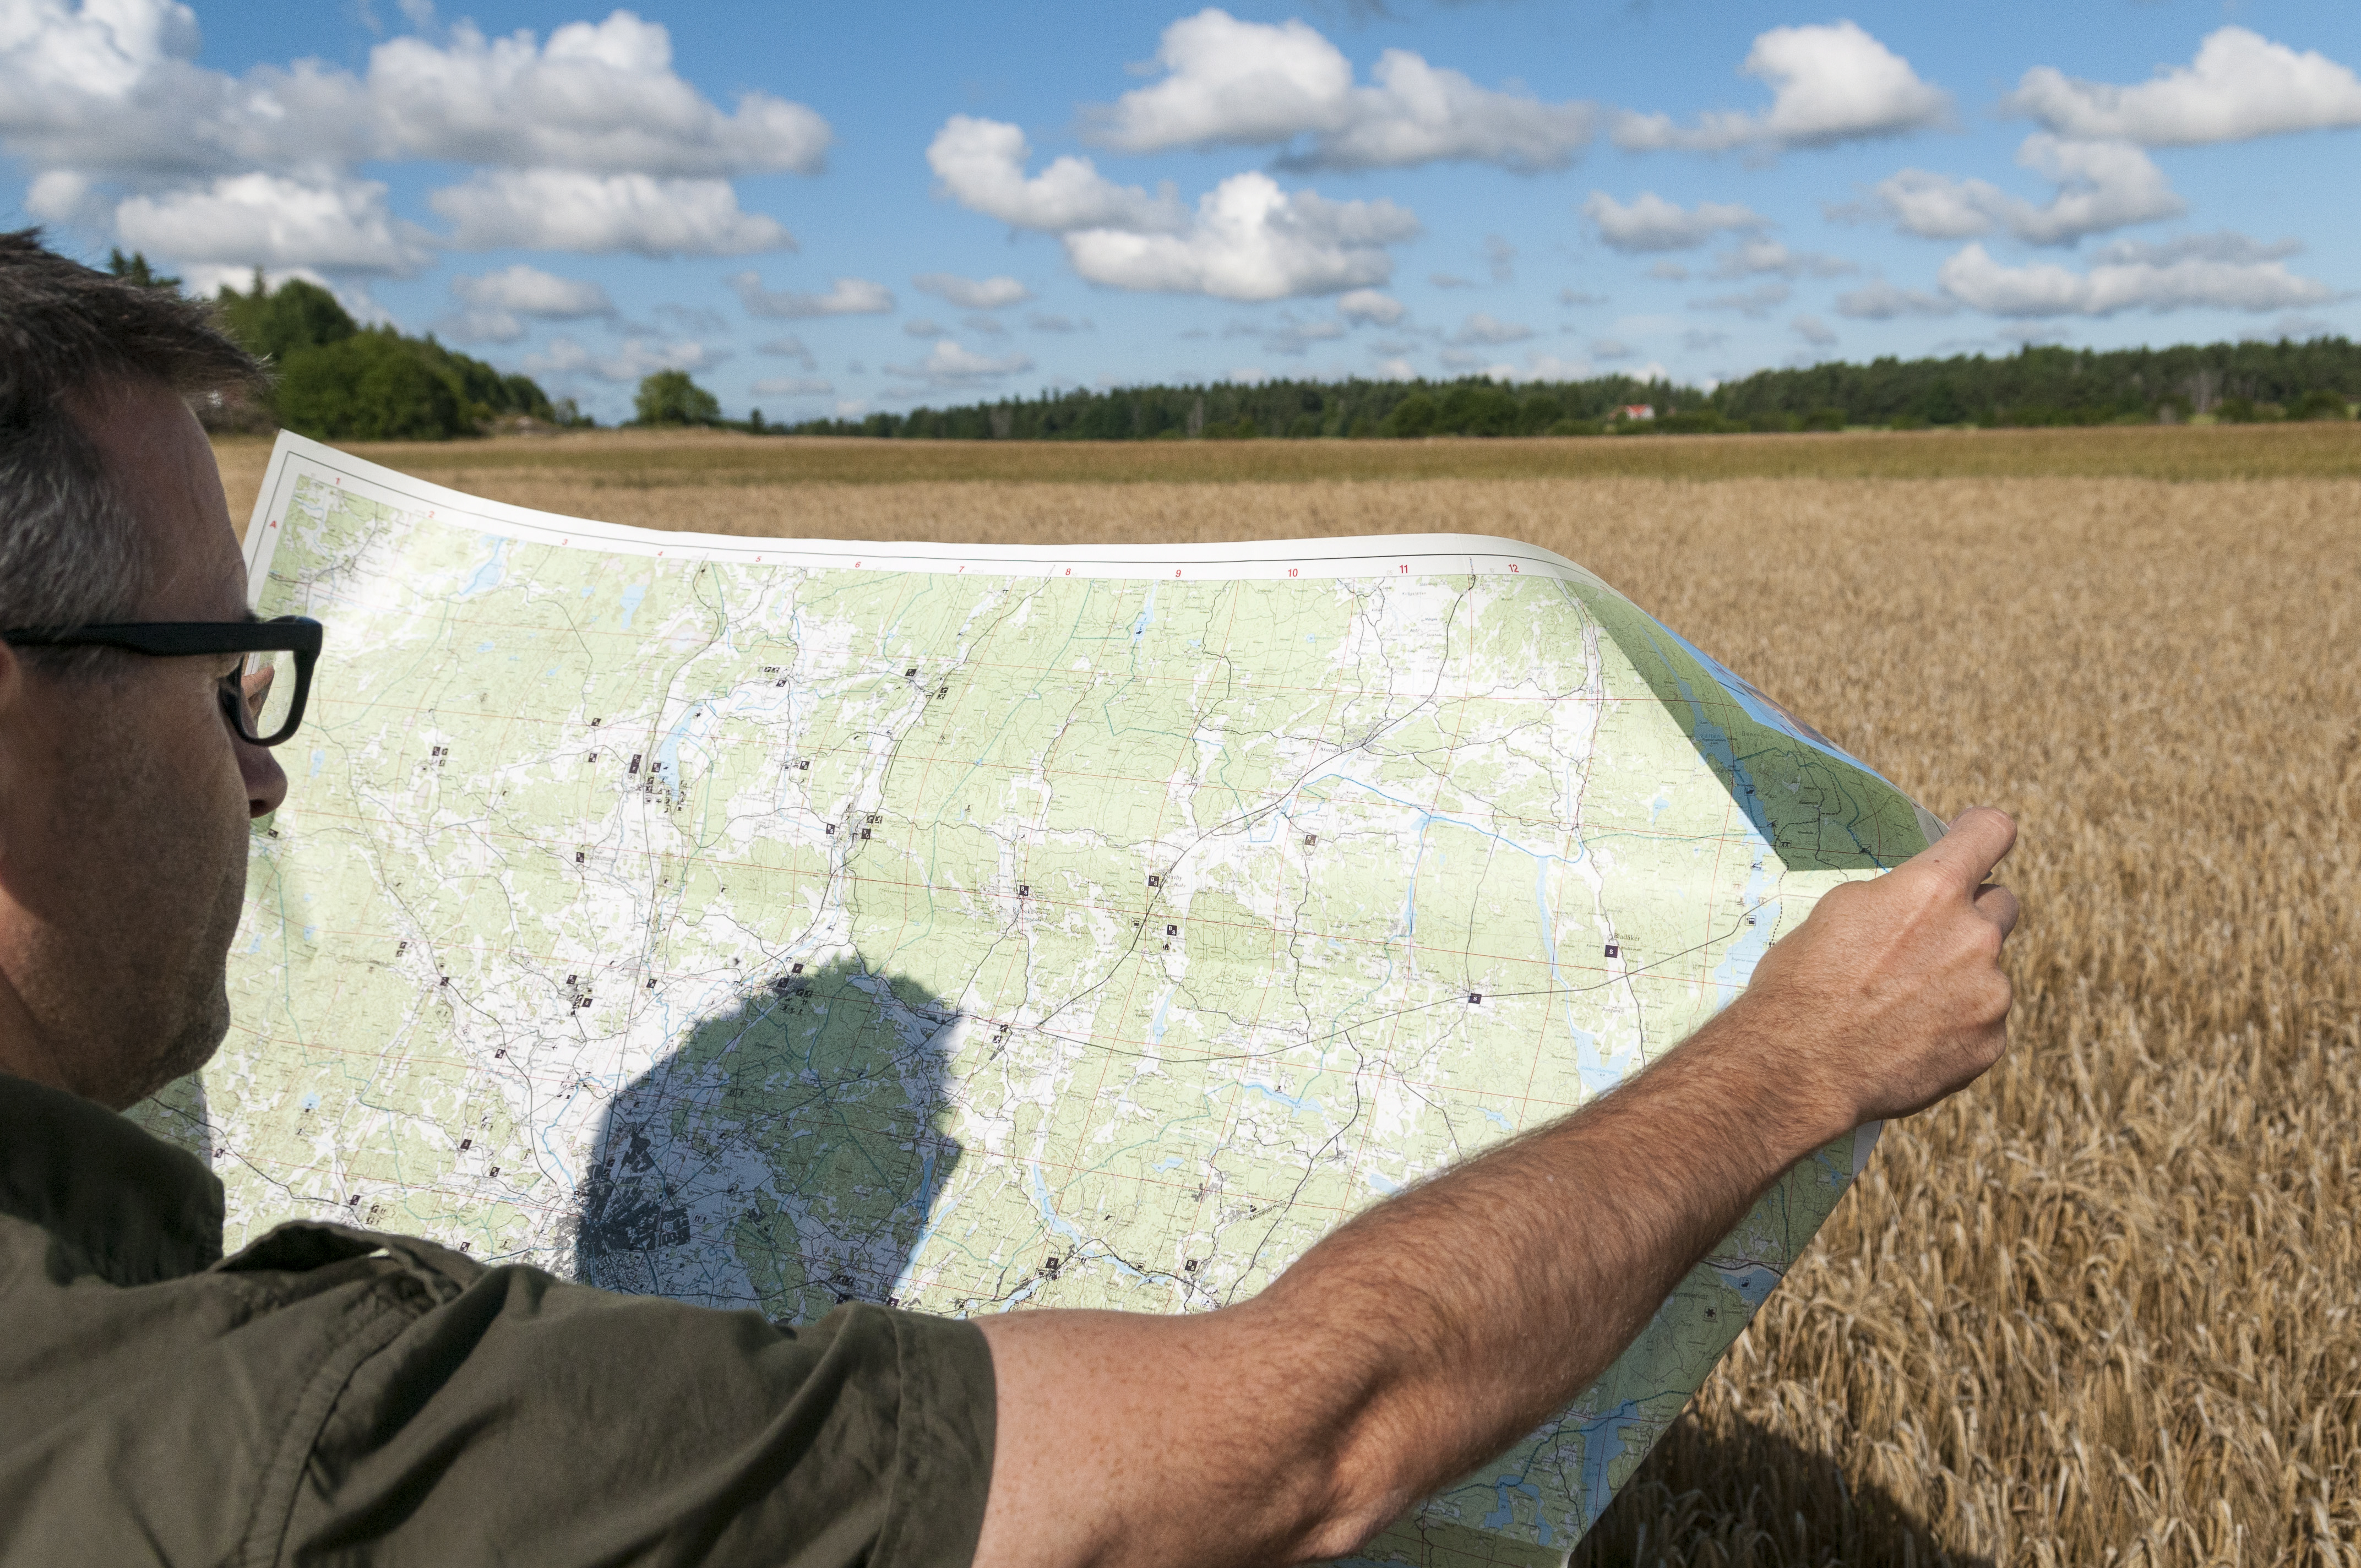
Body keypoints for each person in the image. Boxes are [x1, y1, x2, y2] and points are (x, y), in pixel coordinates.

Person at [0, 230, 2021, 1567]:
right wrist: (1793, 1053)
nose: (266, 767)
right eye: (217, 669)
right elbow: (1296, 1451)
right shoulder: (292, 1442)